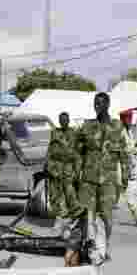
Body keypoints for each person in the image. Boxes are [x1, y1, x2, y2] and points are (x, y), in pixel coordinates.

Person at [72, 92, 130, 267]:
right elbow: (77, 151)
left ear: (108, 105)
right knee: (85, 216)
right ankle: (86, 248)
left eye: (100, 103)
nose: (97, 106)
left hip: (109, 181)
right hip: (88, 180)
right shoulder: (87, 127)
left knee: (106, 216)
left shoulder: (118, 126)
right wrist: (76, 173)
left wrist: (125, 176)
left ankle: (103, 248)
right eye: (95, 103)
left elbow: (124, 154)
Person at [46, 112, 81, 265]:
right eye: (61, 120)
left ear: (68, 120)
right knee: (54, 197)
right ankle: (58, 221)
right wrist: (49, 166)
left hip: (68, 168)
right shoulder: (55, 132)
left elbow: (78, 154)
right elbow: (50, 150)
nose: (63, 122)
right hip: (56, 168)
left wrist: (77, 171)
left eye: (65, 120)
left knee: (70, 196)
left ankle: (69, 225)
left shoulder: (74, 133)